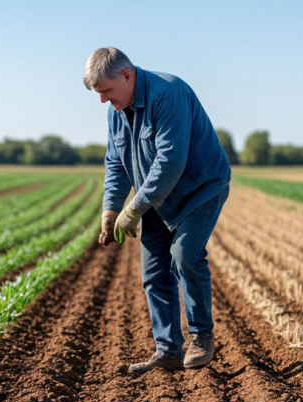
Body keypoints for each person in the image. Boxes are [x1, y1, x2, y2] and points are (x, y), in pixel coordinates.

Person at [84, 47, 231, 374]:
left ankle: (201, 335)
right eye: (98, 94)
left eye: (106, 91)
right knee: (153, 275)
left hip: (199, 188)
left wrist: (133, 209)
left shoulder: (169, 95)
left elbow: (170, 163)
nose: (103, 101)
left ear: (126, 74)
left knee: (185, 254)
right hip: (156, 200)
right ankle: (167, 350)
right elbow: (116, 164)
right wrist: (110, 211)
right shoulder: (116, 111)